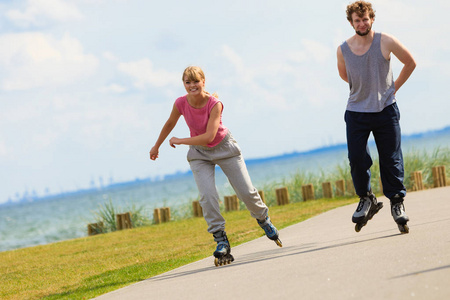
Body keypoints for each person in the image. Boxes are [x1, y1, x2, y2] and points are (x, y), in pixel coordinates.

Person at [150, 66, 282, 266]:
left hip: (224, 147)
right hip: (199, 154)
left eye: (196, 81)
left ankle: (263, 220)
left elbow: (209, 137)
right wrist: (156, 145)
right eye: (188, 82)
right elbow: (169, 123)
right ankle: (220, 239)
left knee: (246, 192)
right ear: (183, 84)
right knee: (207, 196)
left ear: (204, 81)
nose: (192, 85)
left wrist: (181, 140)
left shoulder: (215, 104)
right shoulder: (180, 103)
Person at [336, 1, 416, 233]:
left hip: (386, 109)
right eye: (357, 20)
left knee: (391, 159)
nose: (361, 23)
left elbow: (410, 62)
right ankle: (367, 198)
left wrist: (393, 88)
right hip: (356, 112)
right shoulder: (343, 49)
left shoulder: (386, 40)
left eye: (365, 19)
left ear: (372, 18)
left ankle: (397, 203)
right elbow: (345, 76)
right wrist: (365, 90)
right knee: (357, 159)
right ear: (351, 22)